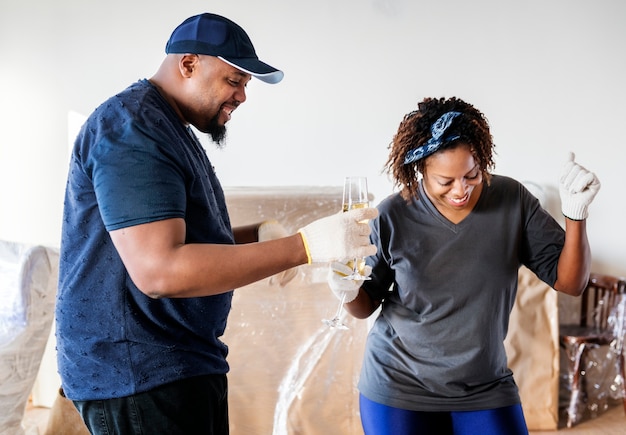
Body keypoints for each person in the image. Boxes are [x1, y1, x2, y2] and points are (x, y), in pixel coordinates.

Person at [56, 12, 377, 435]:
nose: (243, 96)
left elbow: (179, 235)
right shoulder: (134, 129)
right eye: (235, 81)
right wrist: (303, 247)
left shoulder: (167, 125)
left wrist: (258, 237)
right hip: (140, 372)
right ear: (189, 64)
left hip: (172, 364)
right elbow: (159, 270)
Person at [327, 96, 600, 435]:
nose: (461, 189)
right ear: (420, 168)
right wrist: (347, 289)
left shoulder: (511, 200)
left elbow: (571, 283)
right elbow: (365, 305)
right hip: (399, 383)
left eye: (471, 174)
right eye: (445, 181)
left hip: (484, 384)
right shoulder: (391, 215)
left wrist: (576, 215)